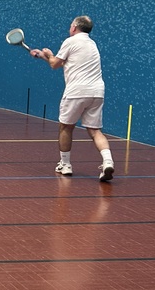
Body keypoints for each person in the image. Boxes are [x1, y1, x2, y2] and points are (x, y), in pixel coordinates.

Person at [30, 15, 115, 182]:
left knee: (66, 128)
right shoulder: (92, 44)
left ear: (74, 27)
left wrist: (49, 54)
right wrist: (42, 55)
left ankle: (65, 164)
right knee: (95, 131)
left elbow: (55, 64)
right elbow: (64, 62)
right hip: (97, 92)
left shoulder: (70, 41)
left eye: (70, 25)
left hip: (77, 91)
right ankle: (108, 161)